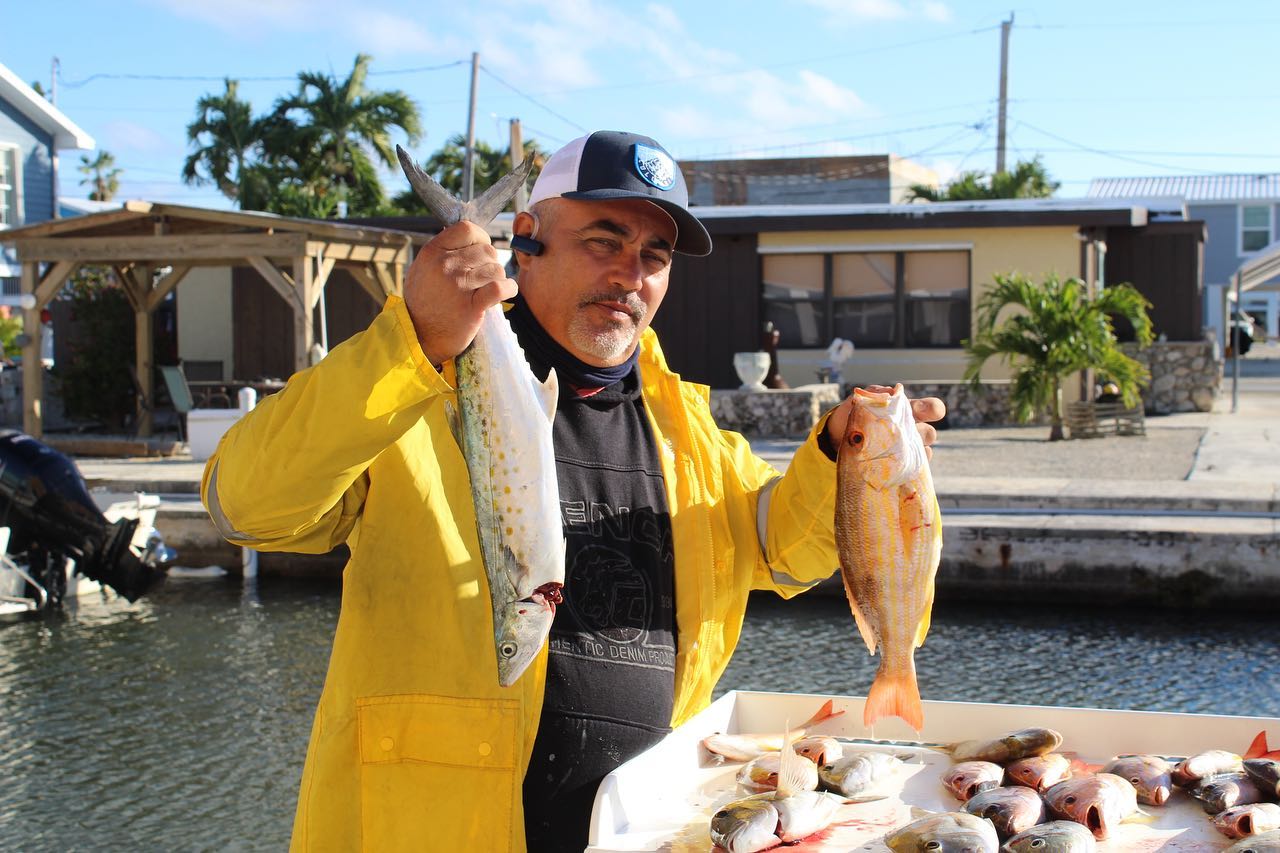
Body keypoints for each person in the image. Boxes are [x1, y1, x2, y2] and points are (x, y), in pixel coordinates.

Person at [201, 129, 944, 852]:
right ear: (526, 238)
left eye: (654, 255)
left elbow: (788, 550)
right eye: (604, 240)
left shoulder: (686, 427)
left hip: (643, 833)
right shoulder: (412, 393)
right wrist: (413, 340)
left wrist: (843, 456)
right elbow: (246, 504)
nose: (631, 273)